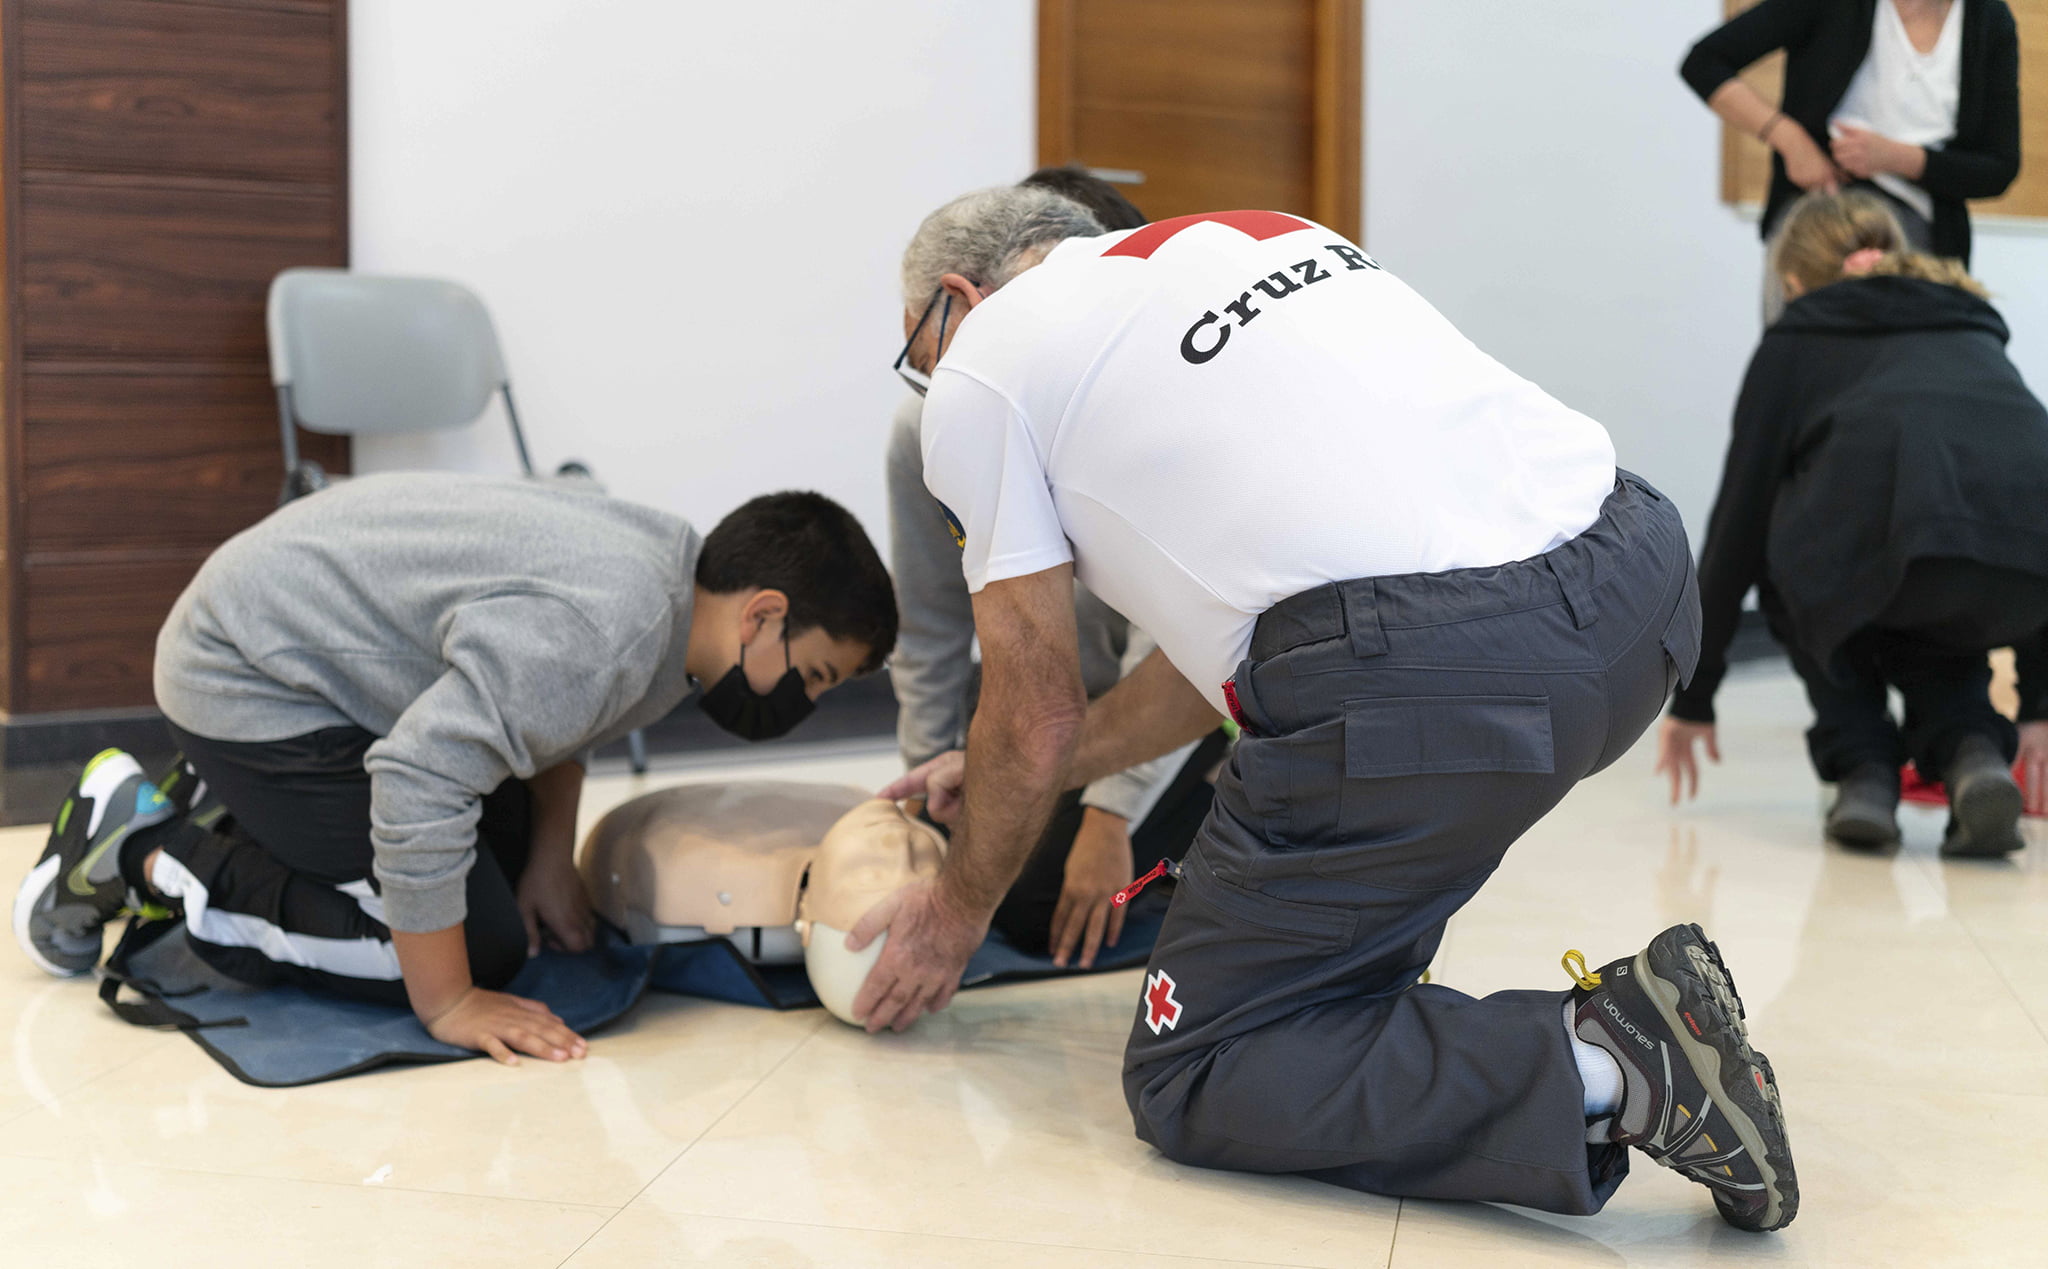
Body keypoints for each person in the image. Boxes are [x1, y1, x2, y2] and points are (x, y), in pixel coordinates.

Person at [865, 188, 1797, 1232]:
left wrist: (951, 914)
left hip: (1437, 679)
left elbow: (1026, 708)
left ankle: (1610, 1063)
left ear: (956, 297)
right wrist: (1046, 770)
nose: (930, 379)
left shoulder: (982, 368)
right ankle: (1542, 1037)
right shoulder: (1251, 239)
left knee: (1199, 1064)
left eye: (920, 350)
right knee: (1309, 921)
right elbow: (1205, 661)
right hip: (1643, 588)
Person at [13, 473, 896, 1066]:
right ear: (763, 613)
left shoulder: (676, 588)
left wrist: (552, 854)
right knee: (477, 943)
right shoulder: (610, 628)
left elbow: (560, 714)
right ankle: (144, 841)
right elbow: (420, 781)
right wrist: (451, 1003)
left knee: (501, 874)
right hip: (248, 679)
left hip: (314, 656)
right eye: (814, 675)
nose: (806, 705)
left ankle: (230, 804)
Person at [889, 164, 1222, 969]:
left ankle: (1212, 832)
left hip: (1188, 697)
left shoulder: (1144, 407)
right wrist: (923, 814)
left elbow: (1185, 650)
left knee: (1038, 908)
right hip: (1056, 695)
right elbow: (931, 625)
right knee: (992, 868)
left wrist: (1110, 817)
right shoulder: (932, 422)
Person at [1655, 190, 2048, 855]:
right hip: (2022, 577)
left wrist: (1693, 696)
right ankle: (1973, 751)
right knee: (1934, 580)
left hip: (1893, 565)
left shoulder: (1797, 338)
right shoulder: (1970, 324)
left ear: (1793, 282)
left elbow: (1739, 527)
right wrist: (2039, 701)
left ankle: (1865, 767)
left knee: (1800, 545)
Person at [1681, 0, 2021, 268]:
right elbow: (1704, 62)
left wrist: (1897, 158)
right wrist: (1788, 138)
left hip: (1926, 238)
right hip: (1821, 218)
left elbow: (1998, 169)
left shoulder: (1989, 20)